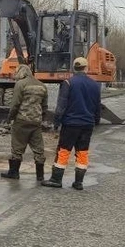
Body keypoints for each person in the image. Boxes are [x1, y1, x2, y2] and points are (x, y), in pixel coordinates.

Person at [42, 56, 101, 191]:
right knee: (82, 152)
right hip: (87, 124)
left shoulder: (68, 83)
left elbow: (61, 106)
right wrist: (95, 121)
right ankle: (78, 182)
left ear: (74, 68)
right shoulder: (95, 85)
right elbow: (98, 106)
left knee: (63, 150)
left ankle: (56, 179)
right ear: (86, 68)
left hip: (71, 124)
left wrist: (56, 122)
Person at [1, 64, 48, 181]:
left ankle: (14, 173)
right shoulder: (42, 85)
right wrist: (41, 118)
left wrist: (10, 118)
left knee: (17, 148)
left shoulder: (20, 84)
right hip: (36, 122)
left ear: (20, 73)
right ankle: (40, 176)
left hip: (21, 121)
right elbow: (44, 106)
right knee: (38, 149)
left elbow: (15, 104)